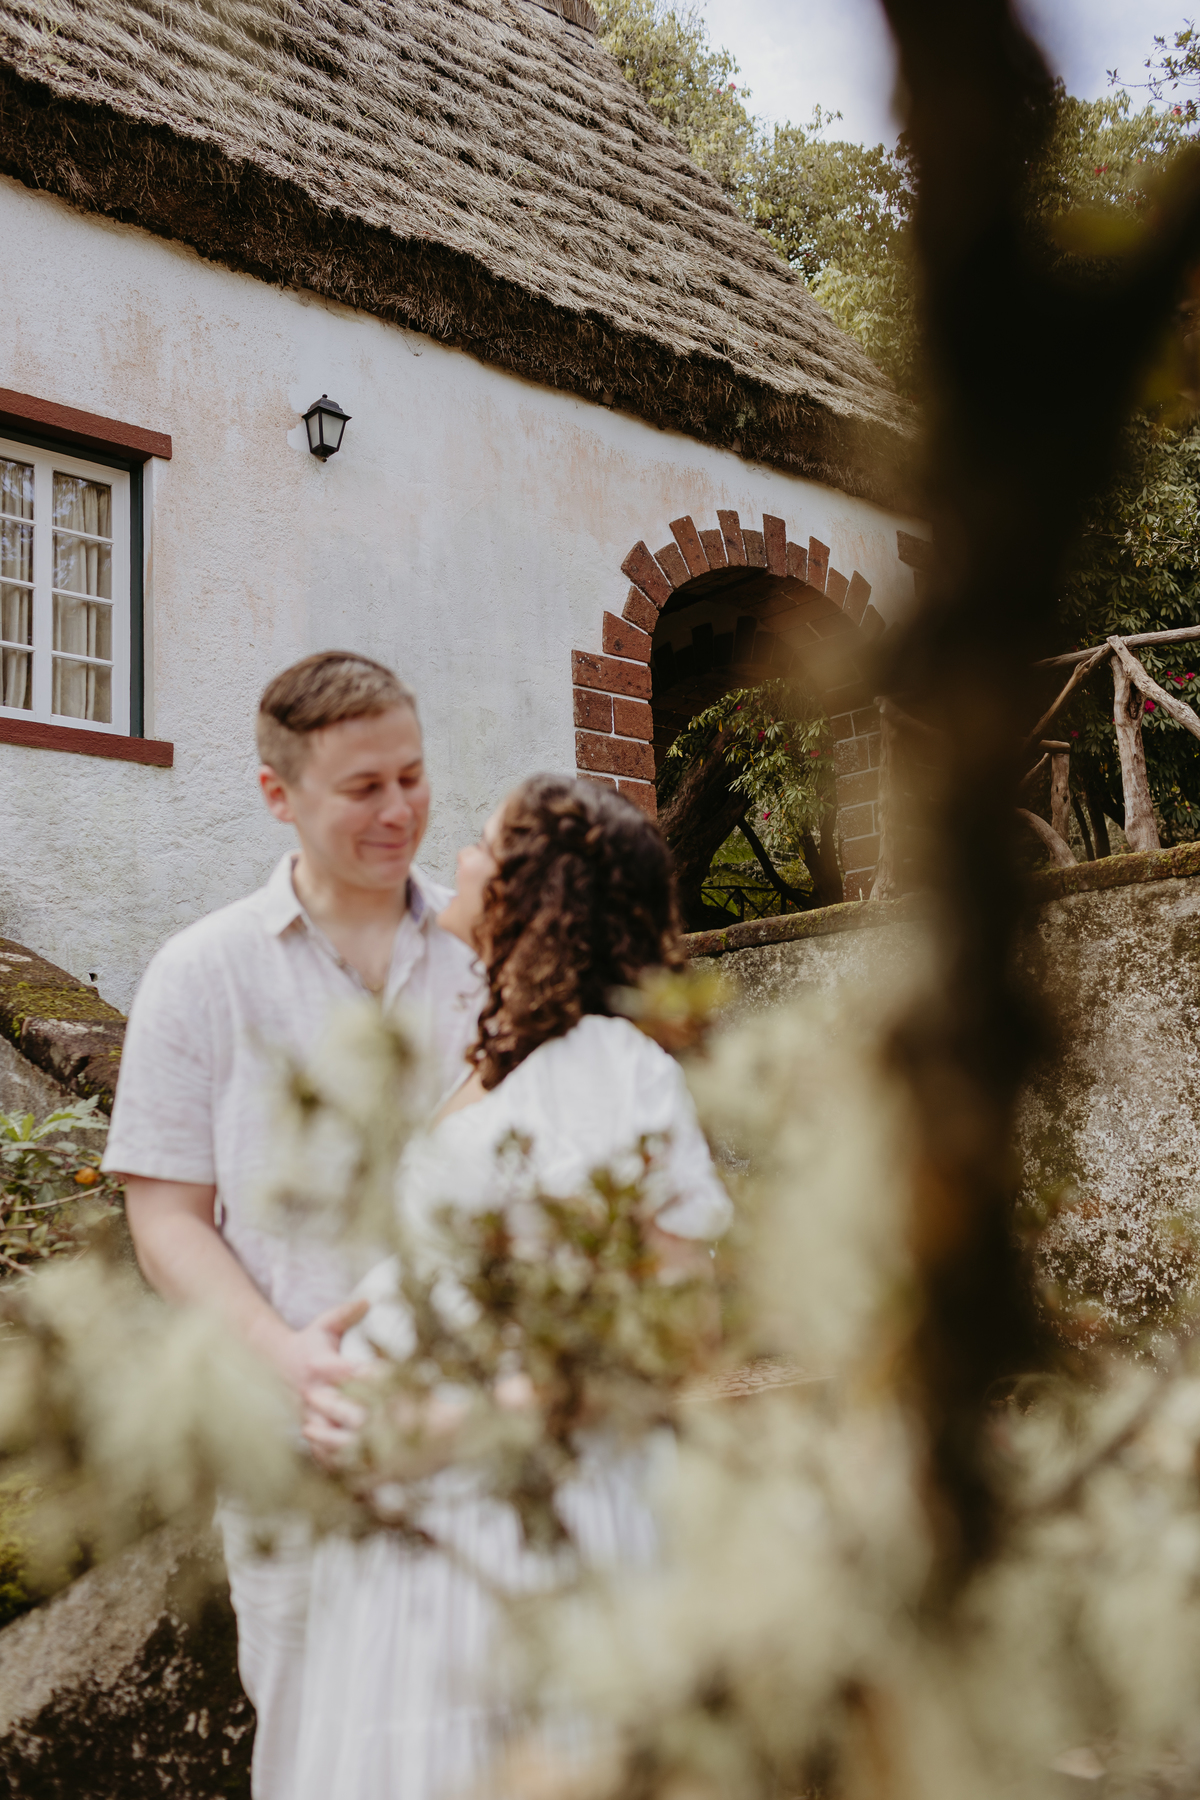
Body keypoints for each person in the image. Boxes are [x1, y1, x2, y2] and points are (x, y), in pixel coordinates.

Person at [292, 774, 732, 1800]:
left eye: (482, 845)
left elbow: (678, 1335)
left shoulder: (616, 1068)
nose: (456, 861)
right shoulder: (488, 1063)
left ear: (537, 894)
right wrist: (339, 1335)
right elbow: (455, 1251)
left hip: (538, 1514)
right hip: (416, 1526)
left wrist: (454, 1421)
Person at [101, 651, 484, 1800]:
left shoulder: (487, 965)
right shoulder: (199, 975)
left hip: (480, 1436)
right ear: (279, 795)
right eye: (362, 788)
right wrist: (291, 1361)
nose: (400, 810)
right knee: (318, 1754)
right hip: (290, 1445)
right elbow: (165, 1218)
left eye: (413, 777)